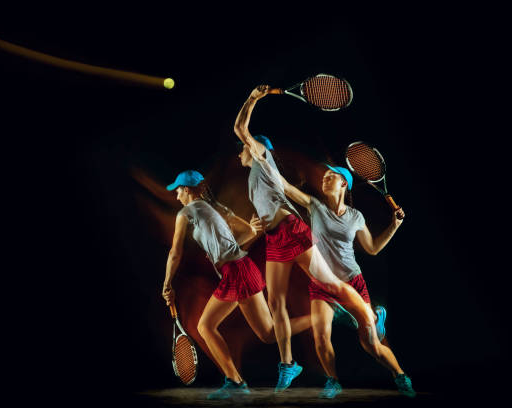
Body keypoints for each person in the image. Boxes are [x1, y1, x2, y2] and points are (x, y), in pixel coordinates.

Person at [234, 84, 377, 392]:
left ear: (258, 147)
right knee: (275, 301)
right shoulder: (254, 176)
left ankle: (370, 312)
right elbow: (268, 203)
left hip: (292, 231)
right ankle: (288, 363)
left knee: (331, 286)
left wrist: (253, 97)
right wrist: (256, 224)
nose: (240, 151)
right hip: (274, 237)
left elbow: (240, 128)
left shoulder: (261, 156)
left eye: (245, 147)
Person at [161, 170, 312, 400]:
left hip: (235, 272)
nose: (177, 194)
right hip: (243, 267)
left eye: (179, 189)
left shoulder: (185, 213)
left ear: (189, 190)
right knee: (269, 334)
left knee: (205, 326)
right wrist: (222, 253)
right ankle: (326, 315)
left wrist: (167, 283)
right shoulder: (217, 209)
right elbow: (250, 231)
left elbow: (175, 252)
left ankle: (236, 382)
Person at [280, 164, 416, 398]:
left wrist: (394, 225)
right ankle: (333, 381)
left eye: (331, 176)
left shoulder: (356, 217)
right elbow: (286, 187)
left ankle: (400, 375)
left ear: (343, 183)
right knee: (320, 335)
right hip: (322, 284)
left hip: (352, 283)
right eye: (324, 175)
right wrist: (261, 159)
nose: (325, 178)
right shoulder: (316, 207)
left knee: (372, 345)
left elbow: (372, 248)